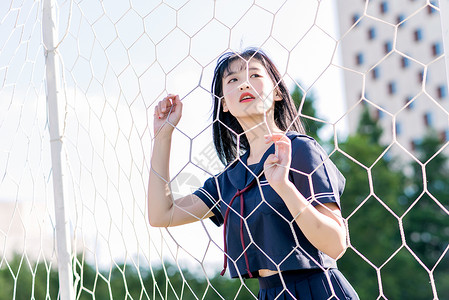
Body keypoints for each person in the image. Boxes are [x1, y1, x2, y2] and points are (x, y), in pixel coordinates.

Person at [148, 48, 359, 299]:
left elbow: (336, 245)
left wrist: (284, 187)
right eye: (233, 80)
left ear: (278, 92)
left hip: (318, 289)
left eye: (255, 75)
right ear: (224, 104)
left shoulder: (299, 149)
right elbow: (162, 214)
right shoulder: (229, 179)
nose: (244, 83)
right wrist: (163, 137)